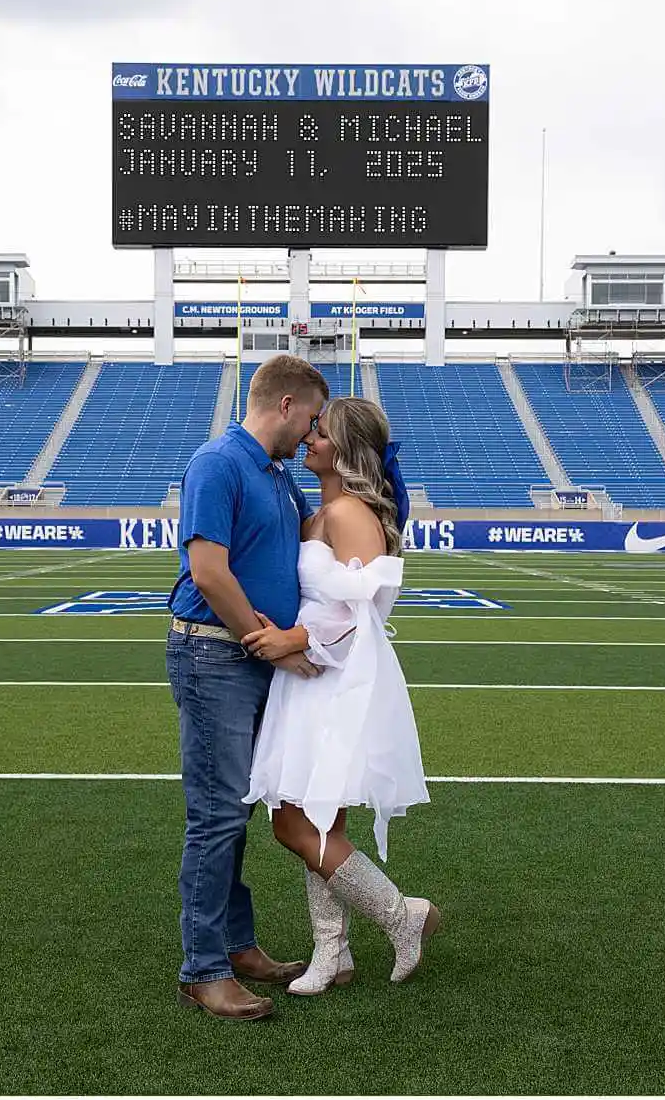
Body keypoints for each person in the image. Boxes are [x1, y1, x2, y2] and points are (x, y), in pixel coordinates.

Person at [240, 396, 438, 996]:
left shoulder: (350, 511)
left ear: (345, 449)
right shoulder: (323, 510)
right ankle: (333, 952)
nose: (309, 439)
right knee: (315, 818)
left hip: (331, 684)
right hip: (305, 681)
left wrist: (294, 639)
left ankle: (403, 915)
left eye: (319, 433)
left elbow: (368, 609)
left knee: (293, 825)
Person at [166, 354, 330, 1021]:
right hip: (214, 657)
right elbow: (207, 571)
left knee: (238, 811)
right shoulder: (219, 463)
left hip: (251, 662)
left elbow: (309, 542)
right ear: (286, 405)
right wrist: (266, 641)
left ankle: (236, 945)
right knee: (216, 816)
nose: (313, 431)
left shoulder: (277, 475)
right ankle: (202, 969)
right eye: (312, 418)